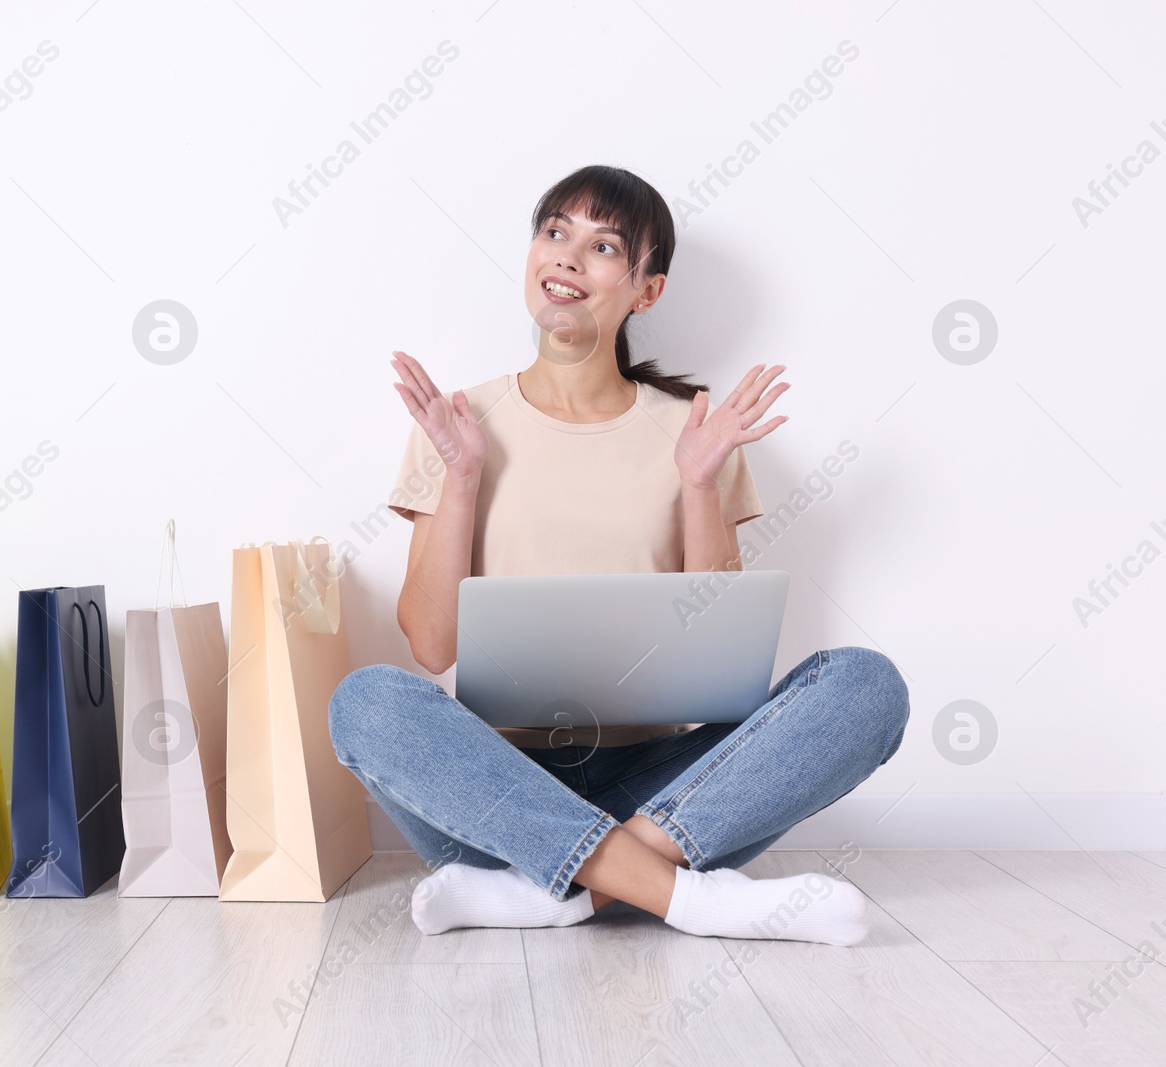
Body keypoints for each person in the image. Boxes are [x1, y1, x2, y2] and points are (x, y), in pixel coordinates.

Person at [327, 164, 909, 944]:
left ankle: (555, 890)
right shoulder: (458, 424)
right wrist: (463, 477)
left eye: (603, 245)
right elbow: (432, 646)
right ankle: (690, 898)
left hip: (665, 791)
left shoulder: (693, 433)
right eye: (555, 232)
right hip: (497, 791)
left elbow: (718, 677)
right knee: (364, 701)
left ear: (647, 290)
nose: (566, 256)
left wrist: (699, 484)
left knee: (868, 687)